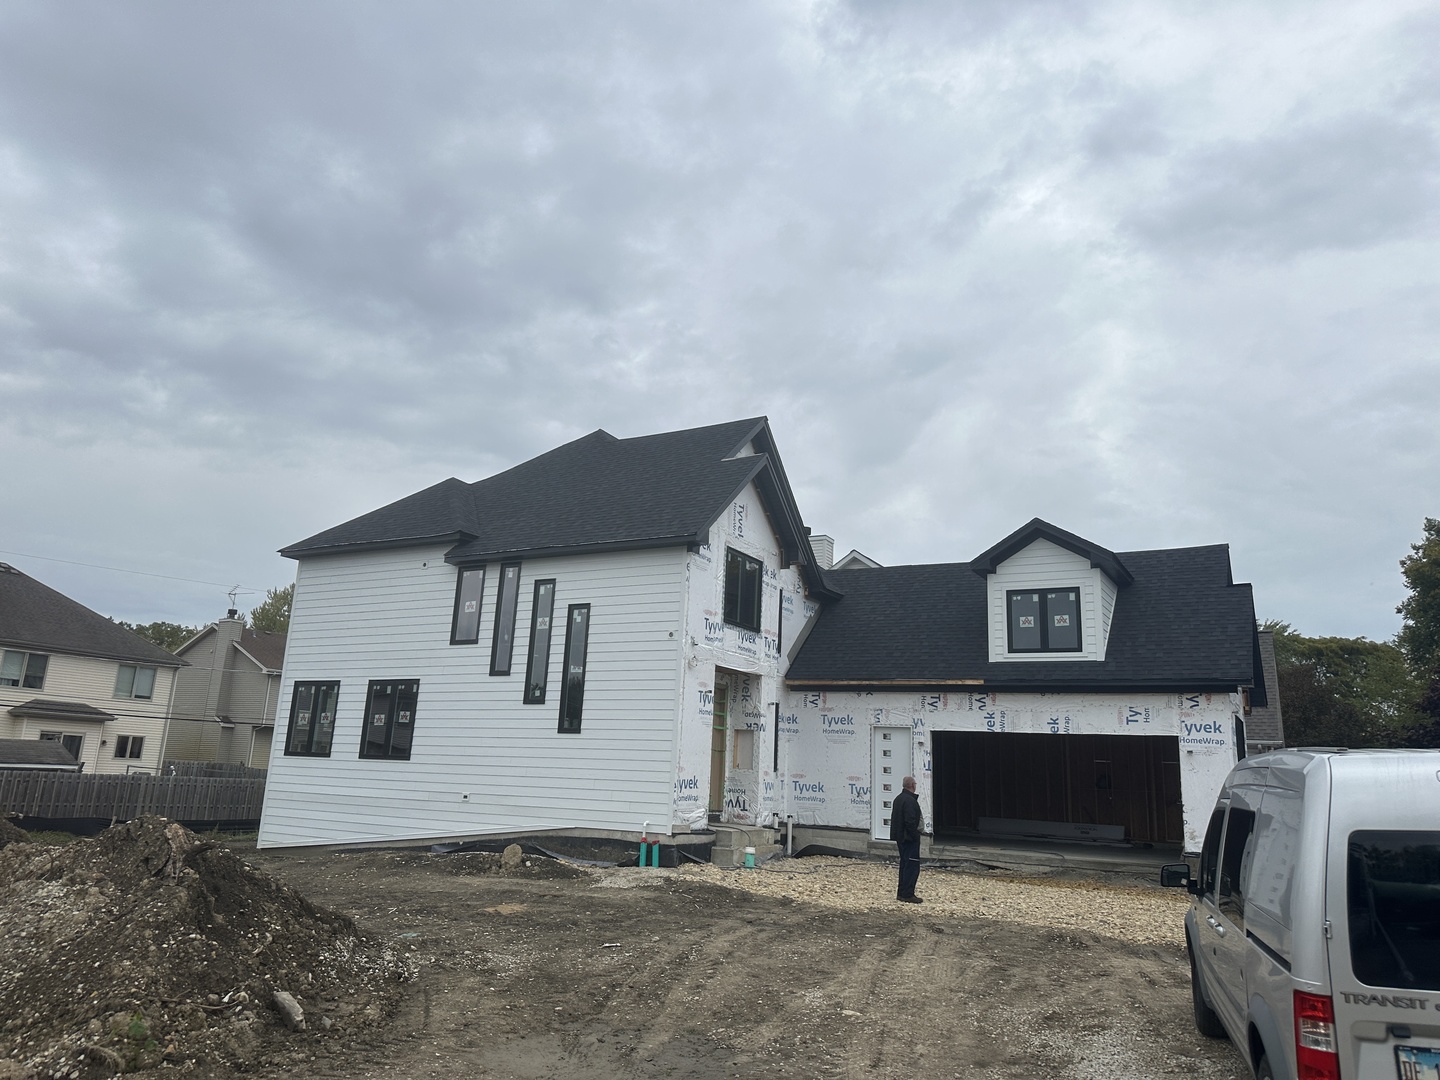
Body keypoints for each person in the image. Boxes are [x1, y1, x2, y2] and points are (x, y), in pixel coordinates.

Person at [890, 775, 923, 903]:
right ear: (912, 785)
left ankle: (901, 892)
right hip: (909, 839)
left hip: (901, 838)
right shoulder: (910, 801)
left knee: (904, 864)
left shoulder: (898, 799)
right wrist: (915, 836)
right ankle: (908, 894)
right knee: (912, 865)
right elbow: (910, 821)